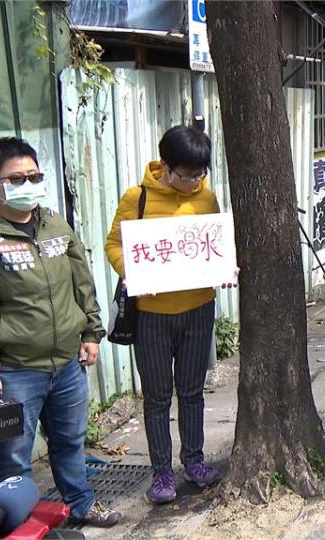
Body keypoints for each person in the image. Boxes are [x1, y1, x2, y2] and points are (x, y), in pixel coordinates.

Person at [0, 137, 121, 527]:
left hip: (67, 363)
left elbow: (80, 280)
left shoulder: (54, 223)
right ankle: (17, 525)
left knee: (70, 442)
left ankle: (81, 505)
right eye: (17, 179)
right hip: (17, 370)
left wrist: (91, 332)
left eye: (34, 176)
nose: (28, 184)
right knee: (14, 457)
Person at [106, 126, 231, 504]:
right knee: (158, 397)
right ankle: (162, 473)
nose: (192, 181)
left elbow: (214, 244)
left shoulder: (206, 197)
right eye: (184, 174)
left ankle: (194, 459)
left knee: (192, 392)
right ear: (164, 165)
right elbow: (114, 243)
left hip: (197, 310)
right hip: (152, 317)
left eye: (199, 173)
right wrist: (133, 271)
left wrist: (224, 270)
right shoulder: (137, 198)